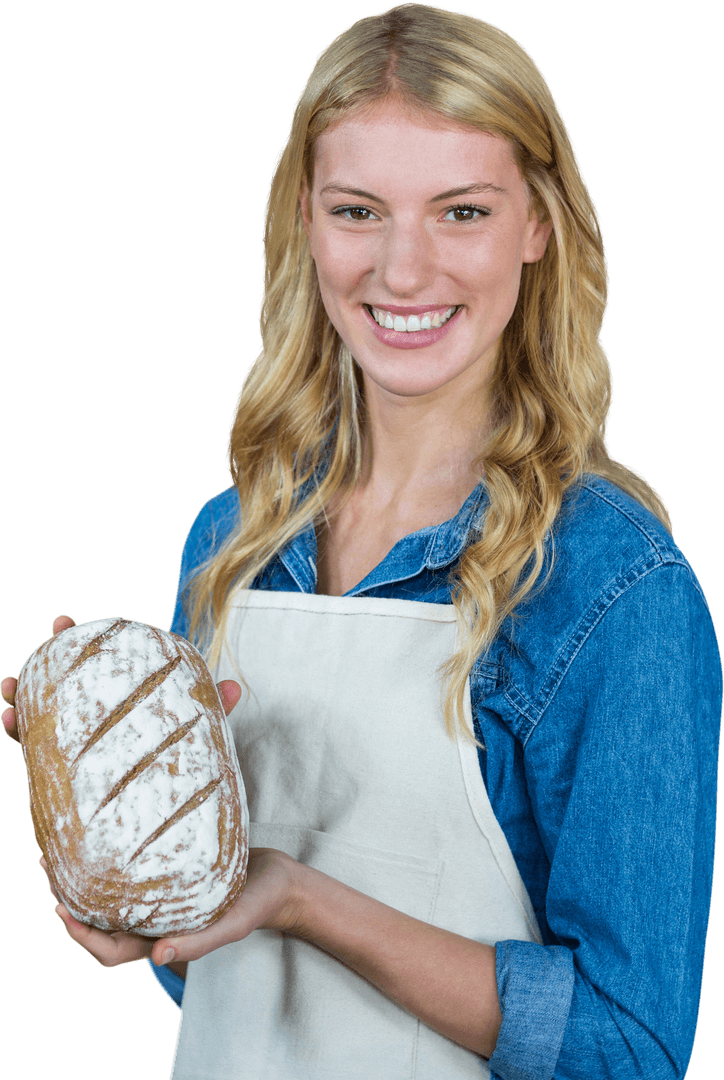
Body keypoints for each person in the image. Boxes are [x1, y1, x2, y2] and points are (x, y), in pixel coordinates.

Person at [2, 4, 721, 1078]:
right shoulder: (233, 539)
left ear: (538, 224)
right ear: (306, 219)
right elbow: (229, 982)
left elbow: (630, 1049)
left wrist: (302, 898)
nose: (403, 268)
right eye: (358, 211)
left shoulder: (613, 590)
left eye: (462, 211)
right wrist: (127, 851)